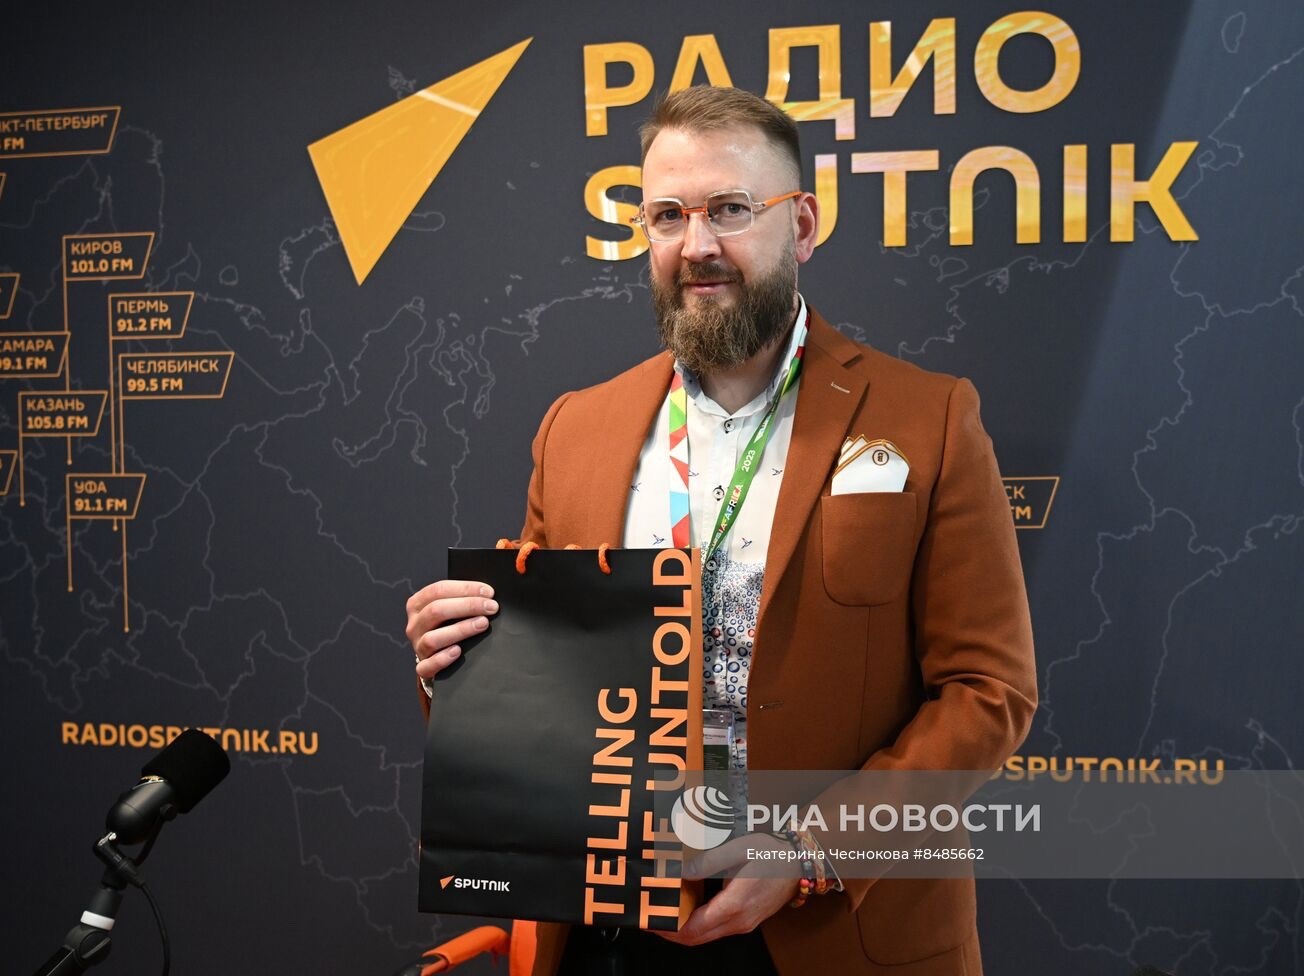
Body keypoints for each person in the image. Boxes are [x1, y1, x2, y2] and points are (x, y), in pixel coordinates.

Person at [406, 85, 1037, 975]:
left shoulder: (928, 419)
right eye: (667, 215)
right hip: (608, 931)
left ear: (802, 225)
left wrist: (811, 854)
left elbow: (987, 693)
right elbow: (544, 690)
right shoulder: (575, 429)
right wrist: (458, 666)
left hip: (831, 933)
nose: (697, 245)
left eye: (731, 209)